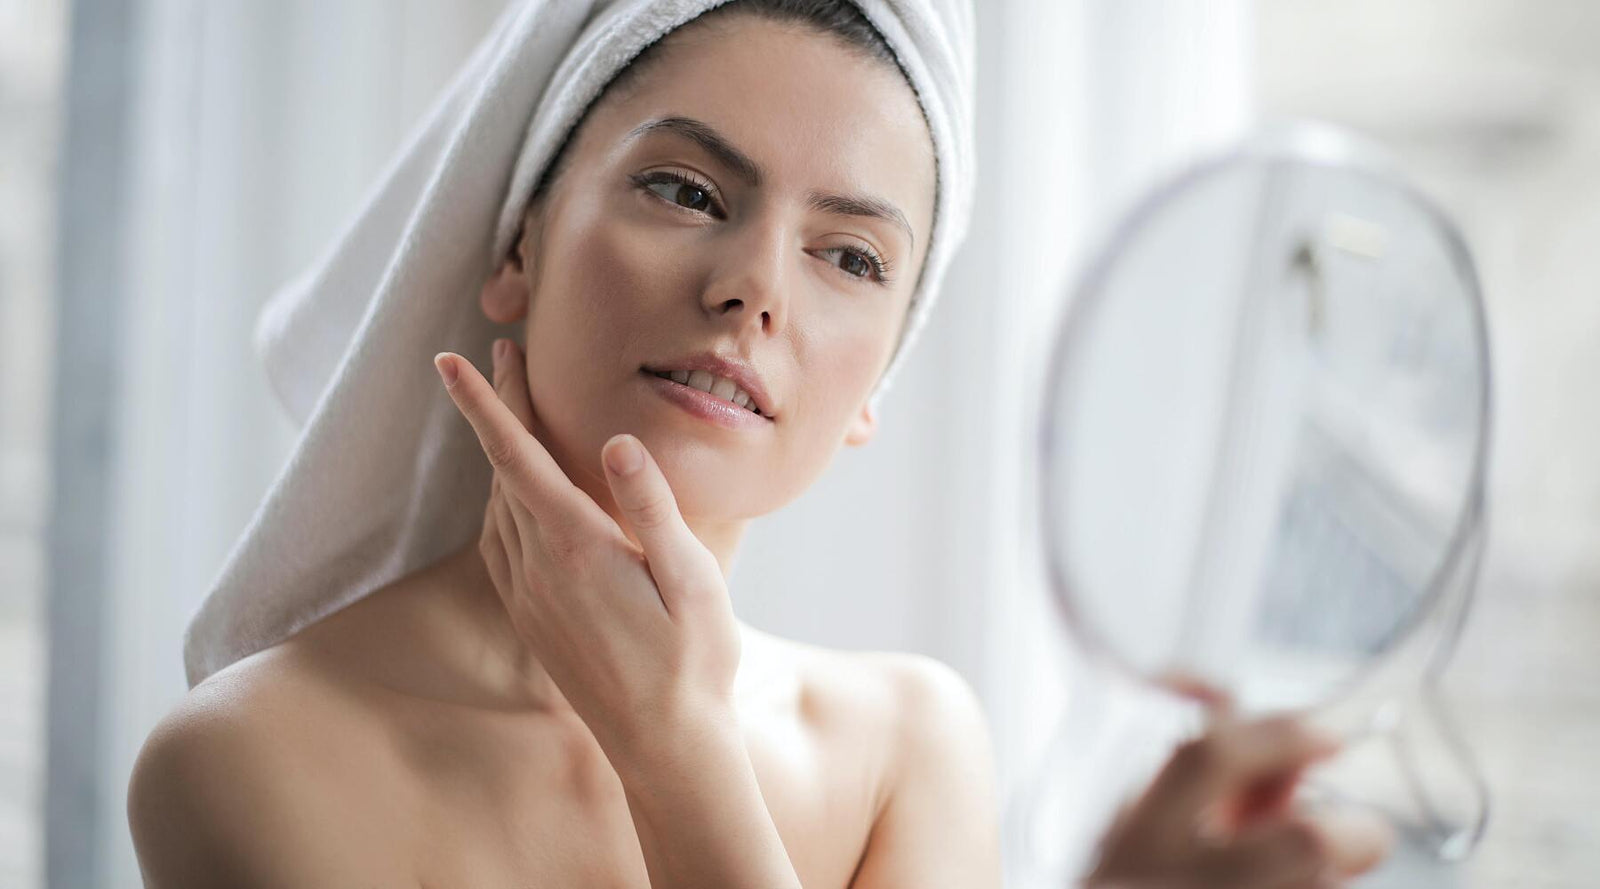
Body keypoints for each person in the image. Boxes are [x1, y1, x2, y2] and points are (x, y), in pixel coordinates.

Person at [126, 1, 1389, 886]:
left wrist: (674, 744)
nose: (753, 289)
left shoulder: (908, 744)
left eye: (849, 256)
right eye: (685, 189)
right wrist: (671, 745)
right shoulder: (255, 756)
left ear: (875, 385)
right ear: (514, 246)